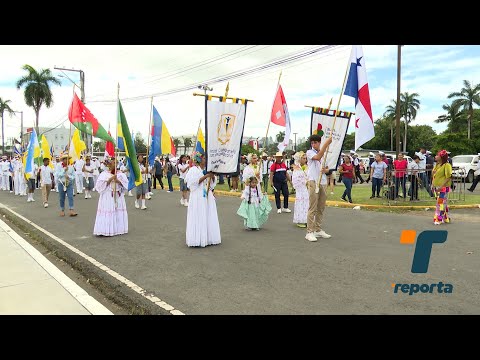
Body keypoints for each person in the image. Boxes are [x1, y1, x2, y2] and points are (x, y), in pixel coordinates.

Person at [184, 151, 221, 248]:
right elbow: (193, 183)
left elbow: (212, 184)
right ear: (200, 159)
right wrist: (206, 176)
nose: (206, 160)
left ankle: (208, 237)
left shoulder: (207, 170)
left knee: (208, 214)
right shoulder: (194, 170)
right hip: (198, 196)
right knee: (199, 214)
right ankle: (197, 238)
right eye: (204, 158)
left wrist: (212, 176)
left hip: (207, 195)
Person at [305, 134, 333, 242]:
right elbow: (317, 157)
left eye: (315, 142)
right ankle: (309, 232)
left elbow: (327, 168)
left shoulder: (324, 153)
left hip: (323, 181)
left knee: (321, 207)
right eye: (312, 143)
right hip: (313, 181)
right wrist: (326, 144)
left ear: (319, 142)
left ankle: (318, 229)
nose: (313, 144)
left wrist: (326, 171)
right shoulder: (310, 152)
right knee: (313, 207)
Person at [93, 158, 129, 236]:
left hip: (117, 196)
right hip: (108, 195)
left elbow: (126, 185)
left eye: (115, 163)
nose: (114, 164)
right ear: (109, 165)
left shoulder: (121, 174)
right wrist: (110, 179)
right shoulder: (104, 174)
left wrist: (118, 181)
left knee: (117, 211)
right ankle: (105, 229)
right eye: (112, 163)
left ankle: (118, 228)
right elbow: (99, 186)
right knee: (108, 211)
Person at [431, 150, 453, 225]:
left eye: (437, 155)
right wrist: (433, 184)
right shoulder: (437, 165)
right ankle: (446, 217)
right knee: (442, 203)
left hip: (443, 188)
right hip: (436, 187)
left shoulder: (447, 165)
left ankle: (439, 218)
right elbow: (434, 175)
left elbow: (448, 177)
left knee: (440, 203)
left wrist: (441, 186)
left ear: (441, 157)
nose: (435, 156)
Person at [292, 151, 308, 228]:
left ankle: (307, 219)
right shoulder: (296, 168)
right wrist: (304, 182)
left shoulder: (307, 167)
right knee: (300, 204)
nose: (305, 160)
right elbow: (295, 180)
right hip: (300, 188)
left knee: (307, 204)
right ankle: (300, 220)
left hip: (307, 189)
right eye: (303, 158)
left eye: (305, 158)